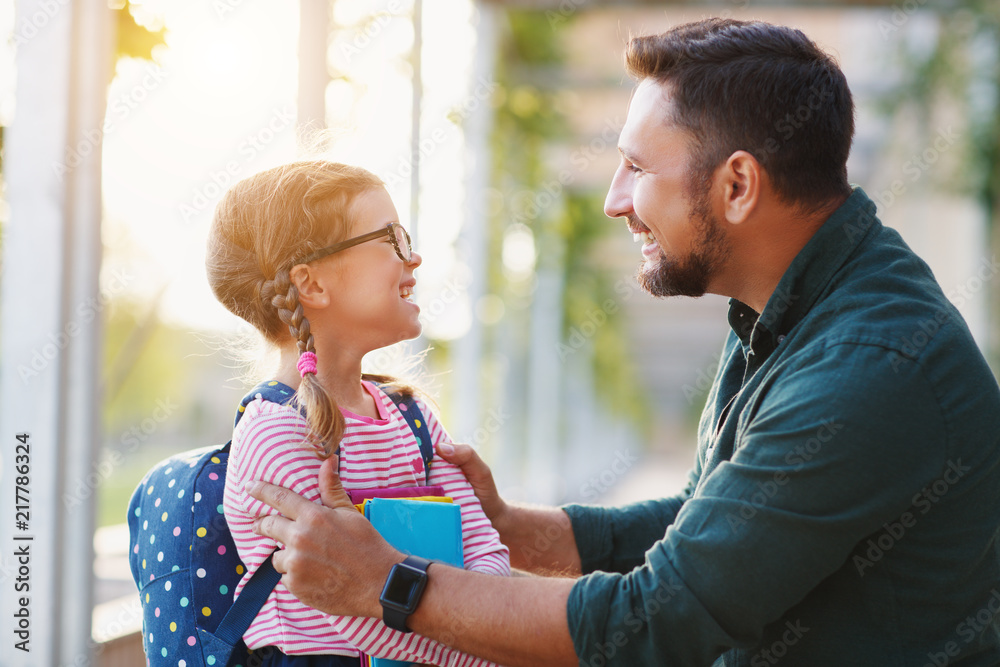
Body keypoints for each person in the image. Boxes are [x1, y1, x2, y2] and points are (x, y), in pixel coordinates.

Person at [244, 19, 1000, 666]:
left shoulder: (867, 367)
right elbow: (716, 517)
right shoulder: (795, 309)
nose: (613, 201)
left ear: (738, 185)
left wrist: (385, 583)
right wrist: (514, 529)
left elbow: (659, 618)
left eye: (636, 167)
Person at [207, 160, 510, 666]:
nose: (413, 257)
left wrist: (493, 632)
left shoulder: (413, 418)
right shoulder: (275, 432)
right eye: (391, 239)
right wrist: (495, 649)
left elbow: (485, 550)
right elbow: (352, 610)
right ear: (313, 284)